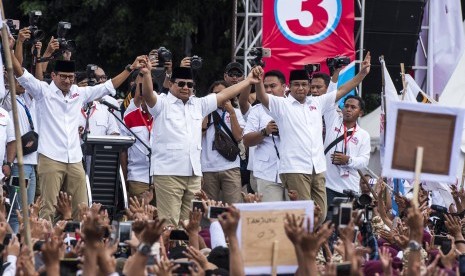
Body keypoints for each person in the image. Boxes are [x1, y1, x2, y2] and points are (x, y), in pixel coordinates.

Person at [11, 48, 146, 221]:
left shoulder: (79, 93)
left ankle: (78, 244)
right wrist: (9, 50)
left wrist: (131, 68)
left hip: (75, 158)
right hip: (50, 157)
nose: (67, 81)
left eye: (71, 77)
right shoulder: (43, 91)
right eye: (63, 77)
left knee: (82, 208)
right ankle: (44, 243)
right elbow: (21, 73)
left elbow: (108, 86)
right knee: (48, 207)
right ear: (53, 75)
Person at [254, 52, 371, 222]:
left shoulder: (317, 102)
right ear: (289, 87)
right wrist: (258, 81)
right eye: (296, 85)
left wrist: (362, 74)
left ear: (309, 86)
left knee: (320, 215)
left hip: (317, 167)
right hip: (295, 168)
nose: (300, 88)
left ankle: (307, 244)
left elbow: (342, 90)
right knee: (304, 215)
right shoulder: (281, 104)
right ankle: (303, 247)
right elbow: (262, 97)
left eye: (303, 84)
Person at [141, 58, 260, 225]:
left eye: (190, 85)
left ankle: (185, 250)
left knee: (190, 223)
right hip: (168, 173)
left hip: (194, 174)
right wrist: (146, 74)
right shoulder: (161, 103)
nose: (185, 88)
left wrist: (248, 81)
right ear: (171, 84)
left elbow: (225, 94)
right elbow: (147, 94)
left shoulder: (198, 104)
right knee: (169, 223)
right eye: (181, 84)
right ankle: (170, 251)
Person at [243, 70, 287, 201]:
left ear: (284, 87)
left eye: (273, 86)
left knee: (294, 217)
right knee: (272, 217)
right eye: (265, 86)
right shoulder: (257, 110)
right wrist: (265, 131)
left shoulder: (294, 107)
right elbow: (246, 141)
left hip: (293, 170)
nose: (268, 90)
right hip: (266, 174)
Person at [201, 81, 246, 204]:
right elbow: (199, 135)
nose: (219, 96)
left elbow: (238, 137)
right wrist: (206, 111)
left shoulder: (236, 112)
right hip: (208, 167)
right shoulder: (205, 112)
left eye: (222, 93)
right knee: (208, 207)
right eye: (215, 94)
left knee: (234, 206)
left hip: (230, 166)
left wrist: (231, 112)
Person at [324, 95, 370, 208]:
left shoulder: (363, 135)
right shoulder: (332, 121)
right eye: (346, 106)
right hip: (327, 185)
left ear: (360, 113)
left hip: (349, 188)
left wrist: (348, 160)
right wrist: (334, 77)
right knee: (327, 222)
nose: (348, 109)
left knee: (344, 223)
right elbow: (329, 98)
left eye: (353, 107)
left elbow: (365, 161)